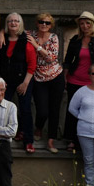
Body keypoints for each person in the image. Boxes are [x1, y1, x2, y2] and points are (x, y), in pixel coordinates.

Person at [60, 12, 94, 152]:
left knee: (89, 111)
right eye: (82, 23)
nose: (85, 26)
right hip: (74, 79)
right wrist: (65, 77)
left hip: (92, 82)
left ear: (93, 24)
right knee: (73, 110)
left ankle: (86, 139)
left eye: (88, 23)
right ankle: (71, 139)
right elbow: (68, 61)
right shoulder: (75, 40)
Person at [0, 13, 38, 152]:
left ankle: (28, 141)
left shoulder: (26, 41)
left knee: (25, 109)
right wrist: (2, 81)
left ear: (20, 24)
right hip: (6, 81)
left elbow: (32, 64)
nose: (13, 23)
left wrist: (26, 83)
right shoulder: (3, 40)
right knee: (2, 108)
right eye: (10, 21)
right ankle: (2, 138)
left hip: (23, 80)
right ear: (6, 24)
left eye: (16, 21)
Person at [28, 13, 64, 154]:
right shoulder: (30, 34)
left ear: (51, 25)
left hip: (56, 76)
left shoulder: (53, 37)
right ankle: (39, 127)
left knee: (55, 109)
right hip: (38, 78)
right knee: (42, 110)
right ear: (37, 23)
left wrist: (36, 46)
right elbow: (12, 28)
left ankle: (50, 140)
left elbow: (51, 57)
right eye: (42, 22)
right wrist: (0, 33)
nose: (44, 25)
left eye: (47, 23)